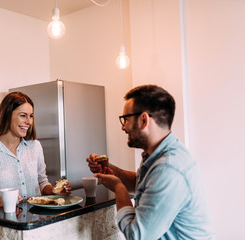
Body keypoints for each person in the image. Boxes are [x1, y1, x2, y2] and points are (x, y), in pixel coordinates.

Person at [86, 85, 214, 239]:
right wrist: (112, 170)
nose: (123, 127)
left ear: (143, 120)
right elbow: (143, 184)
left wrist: (119, 188)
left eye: (125, 119)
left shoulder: (168, 168)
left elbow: (137, 235)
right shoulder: (159, 155)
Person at [0, 91, 71, 210]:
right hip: (5, 222)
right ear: (7, 115)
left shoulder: (35, 146)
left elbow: (42, 181)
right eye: (23, 115)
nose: (29, 121)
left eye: (31, 116)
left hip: (36, 218)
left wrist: (54, 191)